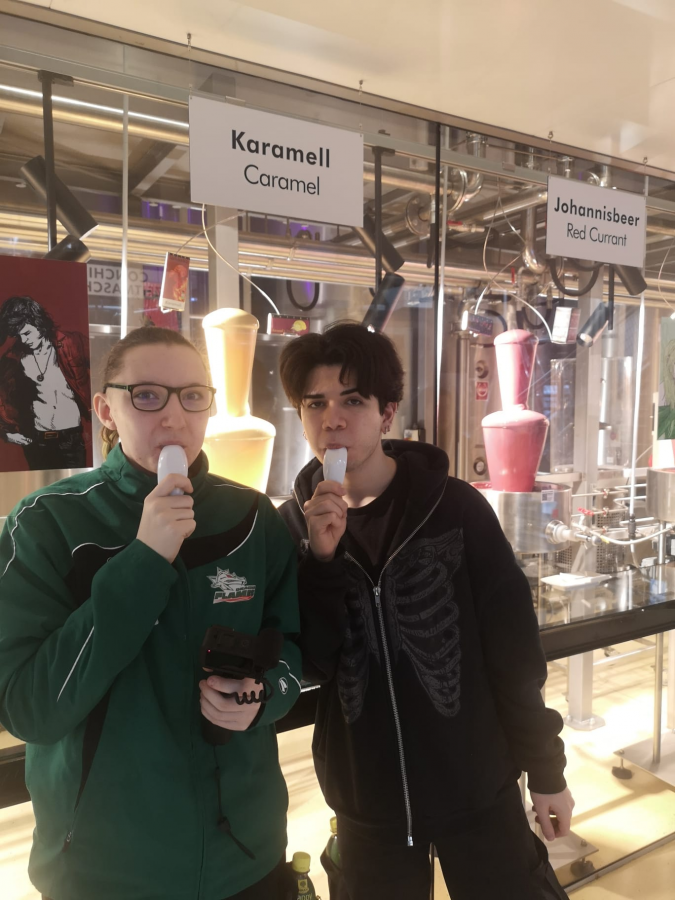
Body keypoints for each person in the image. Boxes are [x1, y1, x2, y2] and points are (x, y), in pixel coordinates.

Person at [0, 325, 302, 900]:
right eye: (146, 395)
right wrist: (144, 559)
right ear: (105, 409)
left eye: (193, 396)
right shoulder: (45, 523)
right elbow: (27, 707)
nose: (173, 416)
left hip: (246, 855)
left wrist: (262, 696)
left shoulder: (252, 518)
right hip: (105, 870)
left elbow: (290, 650)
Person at [278, 322, 574, 900]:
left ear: (386, 413)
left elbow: (514, 654)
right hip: (366, 803)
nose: (332, 419)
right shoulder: (292, 526)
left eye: (352, 401)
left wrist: (546, 770)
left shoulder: (455, 509)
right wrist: (321, 561)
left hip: (478, 787)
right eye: (315, 403)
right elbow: (311, 664)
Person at [0, 295, 91, 470]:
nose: (24, 340)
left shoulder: (72, 343)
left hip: (71, 438)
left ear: (39, 323)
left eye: (27, 333)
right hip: (37, 441)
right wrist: (7, 433)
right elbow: (2, 399)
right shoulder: (12, 359)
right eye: (19, 336)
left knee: (75, 486)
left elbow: (106, 367)